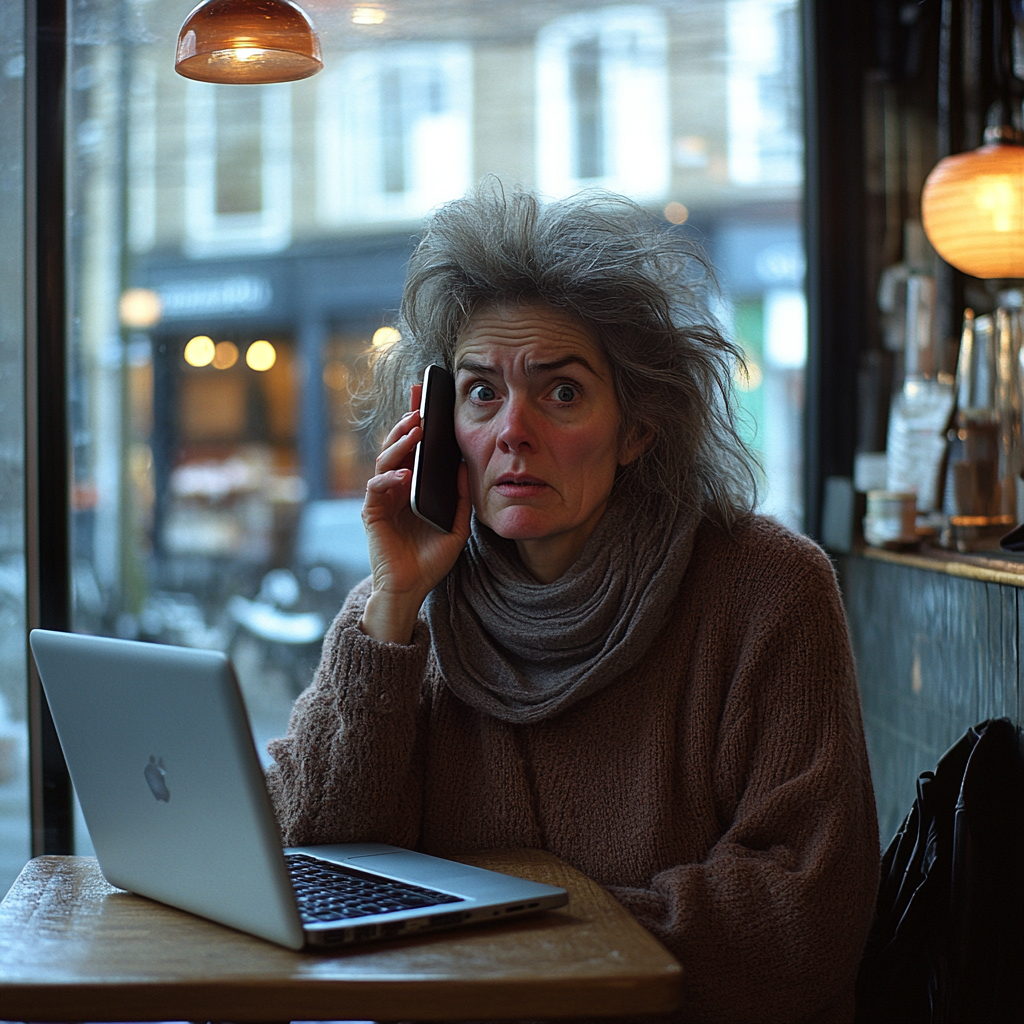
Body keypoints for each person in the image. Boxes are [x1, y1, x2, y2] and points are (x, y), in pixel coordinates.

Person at [266, 185, 880, 1024]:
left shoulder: (766, 589)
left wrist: (503, 932)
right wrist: (395, 604)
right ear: (440, 427)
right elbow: (307, 858)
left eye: (560, 393)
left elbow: (799, 919)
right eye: (481, 393)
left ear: (638, 428)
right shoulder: (404, 602)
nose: (513, 430)